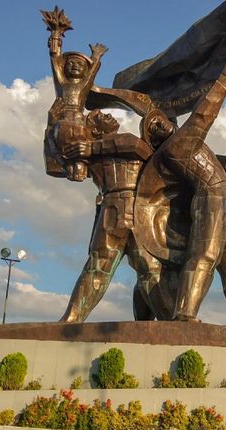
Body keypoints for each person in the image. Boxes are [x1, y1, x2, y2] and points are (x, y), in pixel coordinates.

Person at [140, 53, 226, 328]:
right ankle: (184, 315)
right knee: (205, 255)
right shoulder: (174, 149)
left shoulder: (196, 148)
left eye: (163, 119)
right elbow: (201, 118)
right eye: (154, 126)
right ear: (153, 139)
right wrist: (225, 79)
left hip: (223, 199)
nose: (162, 123)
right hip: (208, 199)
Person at [59, 111, 172, 322]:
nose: (106, 113)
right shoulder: (91, 154)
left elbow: (137, 146)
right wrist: (73, 158)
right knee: (99, 266)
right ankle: (71, 319)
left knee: (150, 268)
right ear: (94, 130)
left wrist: (90, 148)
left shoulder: (124, 142)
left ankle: (171, 323)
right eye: (98, 116)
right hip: (112, 207)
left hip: (141, 208)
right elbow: (63, 163)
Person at [42, 7, 107, 182]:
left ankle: (78, 168)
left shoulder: (84, 85)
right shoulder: (62, 83)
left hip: (79, 122)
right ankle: (64, 166)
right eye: (70, 63)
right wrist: (56, 35)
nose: (75, 65)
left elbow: (92, 73)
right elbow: (55, 60)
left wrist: (97, 56)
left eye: (80, 64)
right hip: (62, 123)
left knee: (79, 152)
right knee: (63, 149)